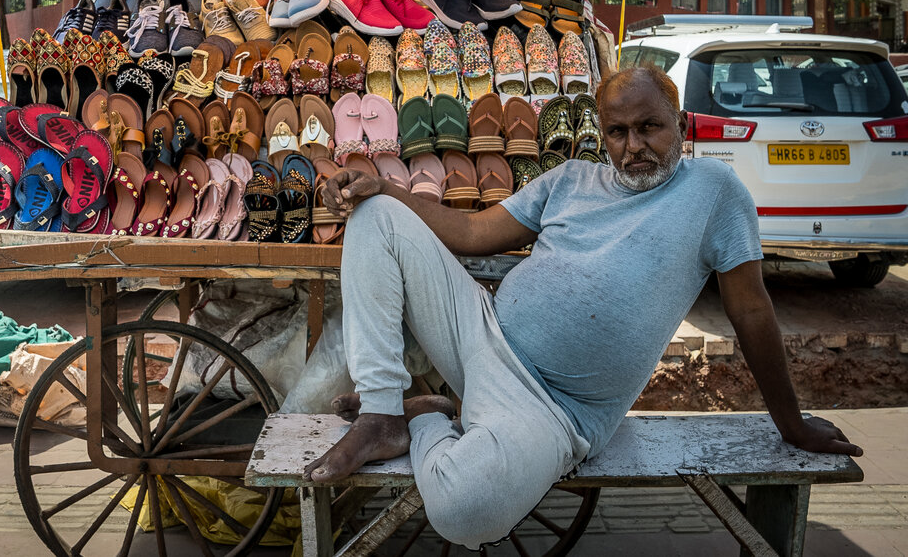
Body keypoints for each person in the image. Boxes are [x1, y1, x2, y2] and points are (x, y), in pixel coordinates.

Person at [304, 65, 862, 549]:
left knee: (463, 512)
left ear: (682, 127)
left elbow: (752, 312)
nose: (633, 146)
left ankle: (424, 419)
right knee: (374, 216)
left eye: (650, 127)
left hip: (555, 410)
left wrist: (790, 424)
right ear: (601, 135)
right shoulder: (571, 179)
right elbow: (472, 231)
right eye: (617, 132)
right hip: (477, 331)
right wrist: (387, 189)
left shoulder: (714, 191)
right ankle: (381, 415)